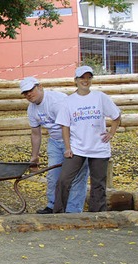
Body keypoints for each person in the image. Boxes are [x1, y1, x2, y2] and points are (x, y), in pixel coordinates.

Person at [53, 66, 122, 213]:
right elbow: (65, 126)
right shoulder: (68, 102)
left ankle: (97, 215)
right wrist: (67, 148)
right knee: (64, 180)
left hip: (99, 148)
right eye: (82, 78)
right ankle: (58, 213)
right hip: (77, 147)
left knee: (98, 184)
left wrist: (111, 133)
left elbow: (116, 116)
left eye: (88, 77)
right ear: (76, 80)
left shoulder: (100, 97)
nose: (85, 80)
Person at [20, 77, 88, 214]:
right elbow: (36, 133)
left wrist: (70, 147)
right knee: (53, 175)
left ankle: (73, 210)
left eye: (31, 90)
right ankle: (52, 205)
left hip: (75, 140)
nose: (28, 94)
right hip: (55, 141)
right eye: (25, 93)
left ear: (40, 87)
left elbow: (69, 124)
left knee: (75, 176)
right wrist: (34, 157)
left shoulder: (56, 101)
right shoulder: (32, 109)